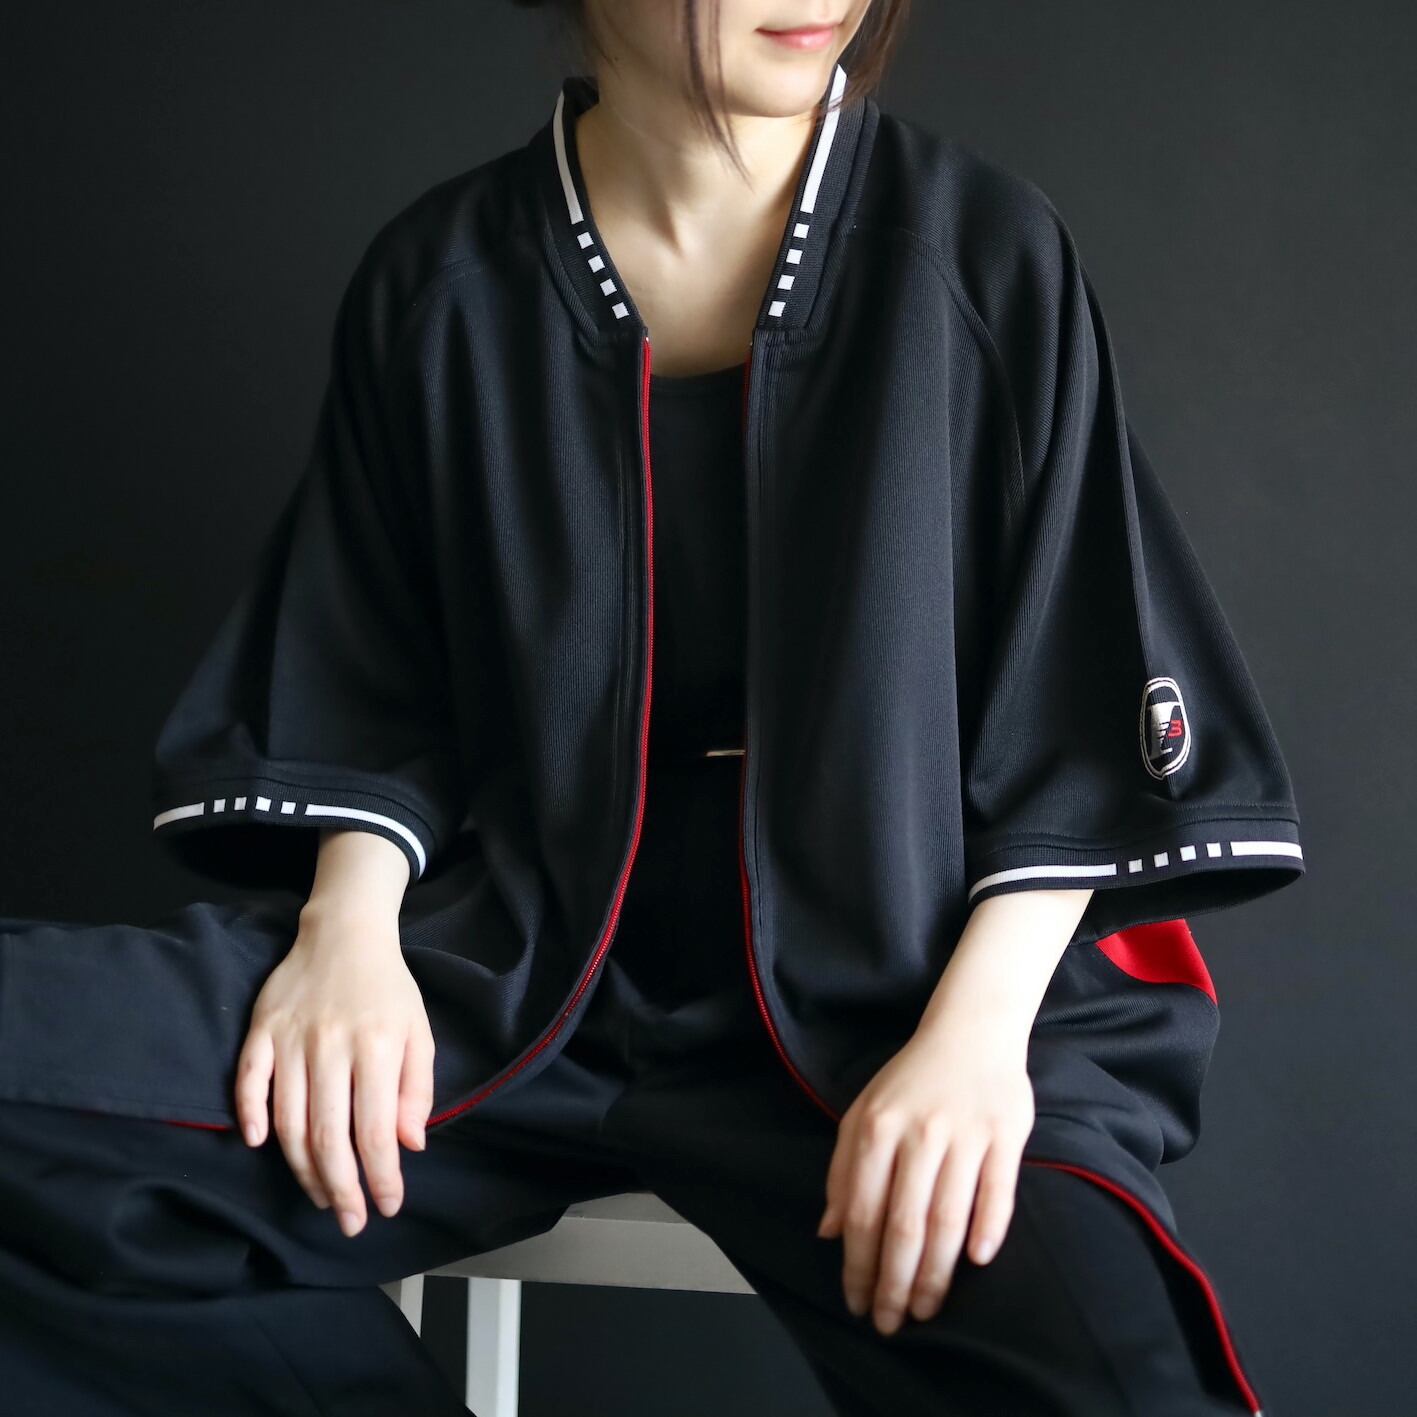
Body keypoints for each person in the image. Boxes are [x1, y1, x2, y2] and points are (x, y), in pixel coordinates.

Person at [0, 2, 1306, 1413]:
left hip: (904, 982)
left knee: (1118, 1382)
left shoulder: (980, 255)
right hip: (503, 966)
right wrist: (348, 932)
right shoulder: (441, 282)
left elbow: (1070, 713)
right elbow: (367, 678)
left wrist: (974, 1043)